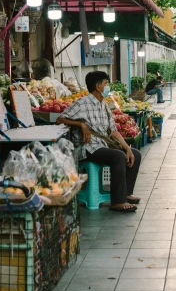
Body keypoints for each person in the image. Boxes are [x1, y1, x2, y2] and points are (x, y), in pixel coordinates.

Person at [57, 71, 143, 212]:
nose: (107, 86)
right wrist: (81, 125)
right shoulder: (82, 103)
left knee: (135, 154)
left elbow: (113, 131)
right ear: (98, 86)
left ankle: (126, 193)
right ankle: (118, 202)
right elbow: (59, 119)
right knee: (118, 156)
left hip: (103, 145)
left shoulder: (104, 106)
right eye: (106, 83)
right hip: (87, 148)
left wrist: (127, 147)